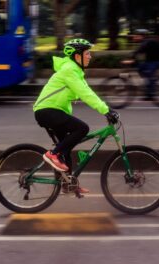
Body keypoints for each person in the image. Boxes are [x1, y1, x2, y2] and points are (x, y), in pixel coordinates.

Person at [33, 38, 119, 191]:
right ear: (77, 56)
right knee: (82, 129)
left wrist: (106, 108)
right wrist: (106, 110)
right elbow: (85, 94)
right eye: (87, 53)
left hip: (51, 111)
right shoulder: (70, 70)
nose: (90, 56)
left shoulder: (76, 71)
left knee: (65, 147)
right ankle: (52, 154)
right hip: (47, 111)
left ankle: (68, 183)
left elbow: (88, 92)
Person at [131, 35, 159, 100]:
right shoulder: (147, 41)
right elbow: (141, 50)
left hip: (155, 61)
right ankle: (148, 87)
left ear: (141, 36)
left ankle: (151, 93)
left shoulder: (146, 42)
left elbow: (140, 50)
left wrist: (133, 54)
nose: (134, 38)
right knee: (140, 68)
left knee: (150, 77)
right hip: (150, 61)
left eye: (136, 37)